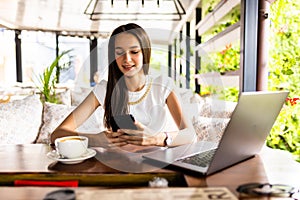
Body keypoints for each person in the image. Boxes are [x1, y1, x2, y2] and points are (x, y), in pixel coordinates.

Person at [50, 23, 196, 148]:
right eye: (119, 52)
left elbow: (190, 135)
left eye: (134, 52)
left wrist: (156, 138)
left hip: (157, 165)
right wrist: (94, 139)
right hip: (117, 163)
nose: (127, 59)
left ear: (145, 52)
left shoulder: (163, 85)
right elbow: (57, 134)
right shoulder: (104, 90)